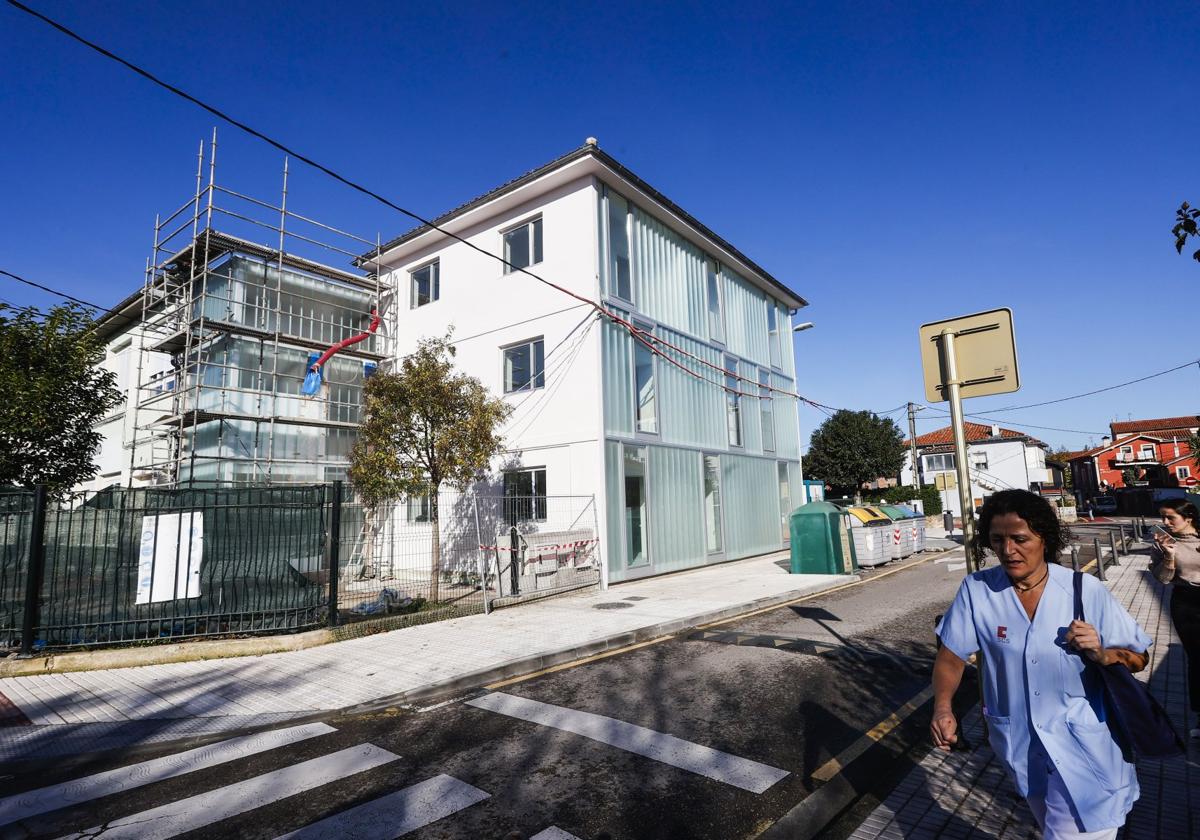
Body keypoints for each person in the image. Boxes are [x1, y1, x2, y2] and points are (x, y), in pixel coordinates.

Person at [930, 489, 1152, 840]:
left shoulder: (1084, 591)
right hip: (1020, 749)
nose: (1007, 550)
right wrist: (943, 707)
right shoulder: (978, 591)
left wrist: (1103, 654)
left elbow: (1139, 656)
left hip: (1085, 751)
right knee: (1050, 824)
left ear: (1044, 538)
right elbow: (951, 656)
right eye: (997, 540)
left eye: (1019, 539)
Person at [1149, 497, 1200, 738]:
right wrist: (1169, 556)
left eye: (1170, 517)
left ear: (1188, 518)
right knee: (1198, 658)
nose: (1165, 522)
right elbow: (1162, 578)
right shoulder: (1163, 543)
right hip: (1186, 603)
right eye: (1163, 517)